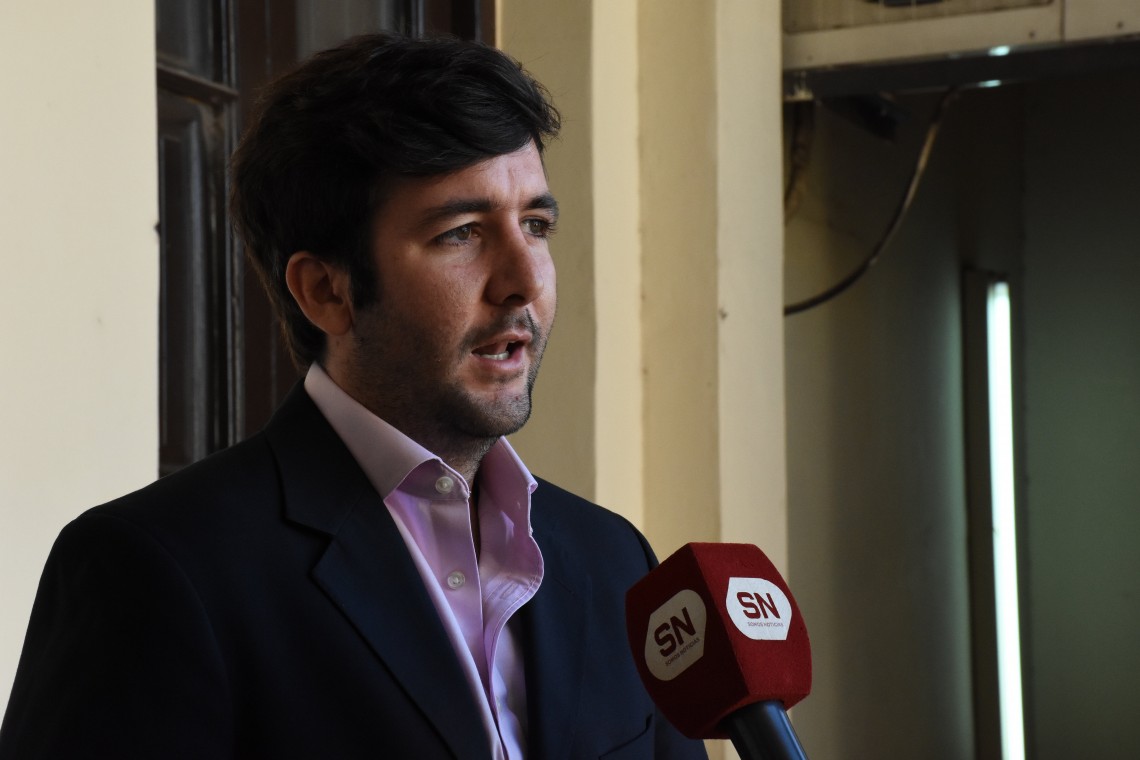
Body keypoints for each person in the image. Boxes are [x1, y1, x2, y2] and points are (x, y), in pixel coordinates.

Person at [0, 33, 707, 760]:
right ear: (325, 291)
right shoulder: (154, 568)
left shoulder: (613, 559)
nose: (524, 280)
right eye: (461, 233)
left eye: (535, 225)